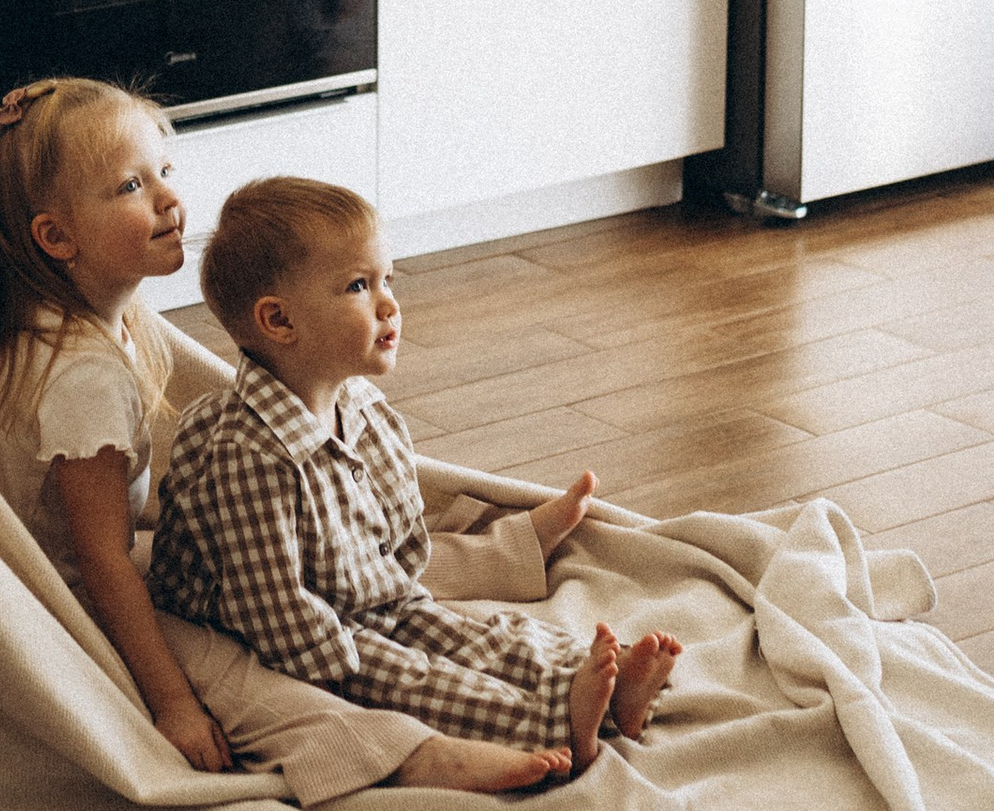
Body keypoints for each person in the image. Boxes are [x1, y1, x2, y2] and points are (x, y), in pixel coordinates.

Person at [0, 81, 573, 799]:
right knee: (252, 682)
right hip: (68, 600)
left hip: (106, 560)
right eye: (130, 185)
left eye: (164, 174)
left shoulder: (93, 321)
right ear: (57, 237)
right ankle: (417, 756)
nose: (168, 201)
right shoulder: (79, 378)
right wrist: (175, 703)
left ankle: (507, 557)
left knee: (317, 558)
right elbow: (100, 565)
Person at [152, 175, 681, 769]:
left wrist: (403, 605)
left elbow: (402, 537)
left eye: (387, 281)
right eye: (358, 286)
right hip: (287, 629)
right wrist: (362, 659)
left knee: (474, 636)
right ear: (278, 322)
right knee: (415, 680)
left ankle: (598, 683)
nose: (389, 304)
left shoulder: (366, 411)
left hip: (361, 596)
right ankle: (555, 720)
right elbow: (273, 611)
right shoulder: (249, 455)